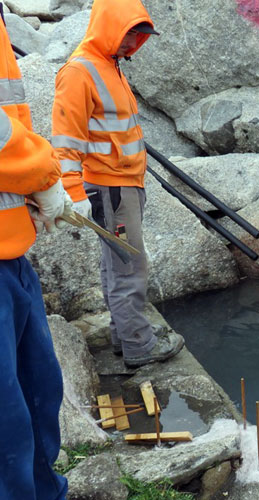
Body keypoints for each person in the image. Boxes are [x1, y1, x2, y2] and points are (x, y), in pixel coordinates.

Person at [52, 0, 183, 368]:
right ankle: (140, 346)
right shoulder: (79, 72)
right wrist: (74, 192)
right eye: (128, 35)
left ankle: (125, 337)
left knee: (117, 265)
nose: (133, 44)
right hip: (110, 189)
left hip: (123, 185)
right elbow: (65, 142)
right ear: (109, 27)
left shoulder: (109, 65)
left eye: (138, 38)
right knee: (129, 268)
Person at [1, 3, 73, 498]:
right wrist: (44, 176)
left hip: (11, 251)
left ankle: (44, 491)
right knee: (7, 414)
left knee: (38, 389)